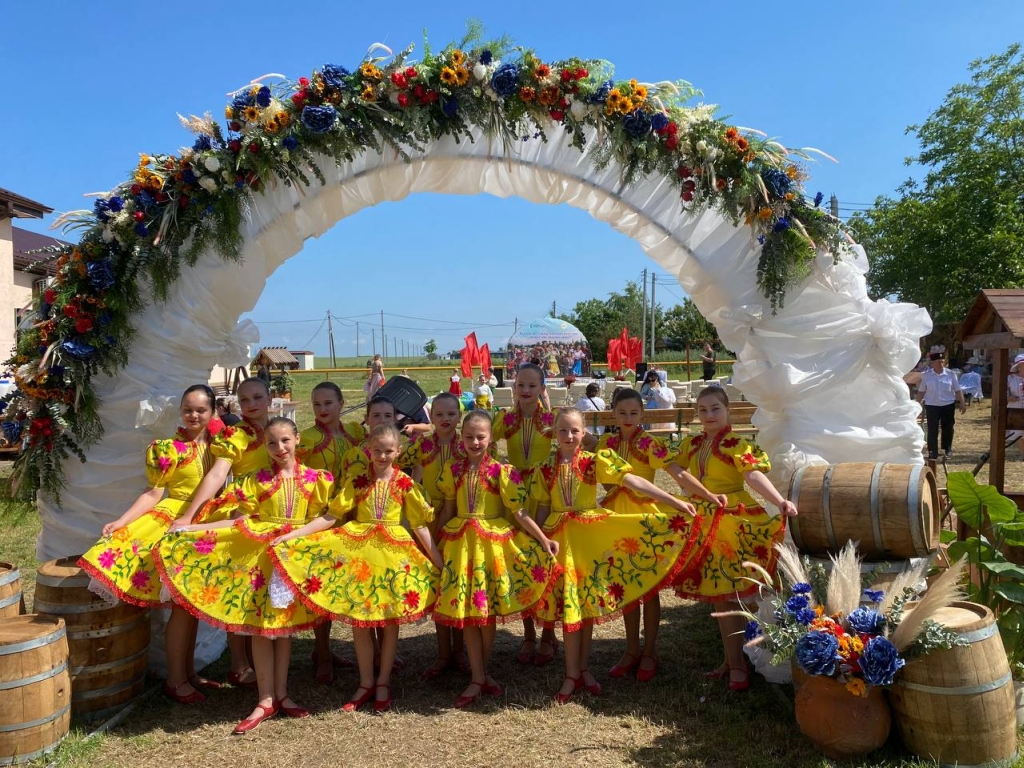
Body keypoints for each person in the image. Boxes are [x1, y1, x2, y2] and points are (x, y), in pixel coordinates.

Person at [156, 417, 333, 734]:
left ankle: (282, 694)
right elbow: (238, 522)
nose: (279, 448)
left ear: (297, 440)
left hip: (293, 559)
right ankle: (266, 698)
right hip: (261, 559)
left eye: (285, 441)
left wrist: (295, 540)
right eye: (272, 443)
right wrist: (193, 528)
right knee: (261, 629)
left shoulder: (316, 480)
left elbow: (324, 519)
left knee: (284, 629)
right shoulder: (257, 481)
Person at [532, 409, 702, 703]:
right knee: (571, 605)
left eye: (574, 431)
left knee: (583, 605)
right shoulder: (545, 468)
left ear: (584, 434)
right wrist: (540, 541)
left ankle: (582, 670)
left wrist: (672, 500)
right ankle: (572, 673)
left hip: (588, 539)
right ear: (554, 433)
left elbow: (633, 481)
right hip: (561, 542)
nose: (569, 436)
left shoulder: (593, 462)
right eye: (562, 431)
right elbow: (543, 508)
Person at [270, 425, 442, 713]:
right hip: (359, 554)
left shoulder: (405, 484)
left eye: (389, 451)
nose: (383, 456)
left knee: (389, 622)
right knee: (359, 622)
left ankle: (383, 681)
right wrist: (292, 536)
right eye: (377, 451)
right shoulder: (358, 480)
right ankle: (365, 683)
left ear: (398, 452)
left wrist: (437, 561)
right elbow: (330, 516)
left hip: (392, 555)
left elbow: (421, 525)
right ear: (368, 451)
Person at [79, 385, 223, 705]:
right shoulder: (167, 449)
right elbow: (153, 493)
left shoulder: (223, 446)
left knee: (193, 606)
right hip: (177, 524)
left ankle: (188, 672)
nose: (194, 415)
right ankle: (175, 679)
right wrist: (122, 522)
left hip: (211, 524)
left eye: (201, 409)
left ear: (213, 412)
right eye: (188, 408)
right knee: (182, 609)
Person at [590, 388, 725, 682]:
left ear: (643, 414)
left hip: (645, 519)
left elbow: (677, 472)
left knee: (647, 587)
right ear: (613, 413)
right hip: (615, 518)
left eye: (634, 413)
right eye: (622, 413)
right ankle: (630, 650)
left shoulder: (650, 443)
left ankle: (650, 650)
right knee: (625, 584)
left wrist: (706, 494)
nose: (628, 418)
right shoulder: (605, 443)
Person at [672, 387, 798, 692]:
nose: (708, 415)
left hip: (732, 519)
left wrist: (779, 500)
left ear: (728, 410)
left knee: (733, 593)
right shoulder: (693, 442)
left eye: (715, 408)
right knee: (720, 594)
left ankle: (744, 661)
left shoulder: (735, 443)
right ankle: (733, 661)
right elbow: (670, 464)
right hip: (704, 519)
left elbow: (752, 475)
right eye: (702, 410)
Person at [432, 410, 559, 707]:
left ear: (491, 437)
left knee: (486, 613)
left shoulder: (502, 471)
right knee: (470, 614)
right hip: (460, 544)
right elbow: (448, 509)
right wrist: (433, 545)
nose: (475, 442)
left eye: (481, 437)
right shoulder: (452, 470)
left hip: (491, 544)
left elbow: (519, 512)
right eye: (469, 437)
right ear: (461, 438)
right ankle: (478, 676)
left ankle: (480, 673)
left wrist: (542, 538)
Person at [167, 376, 275, 688]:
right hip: (244, 510)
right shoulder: (236, 435)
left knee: (264, 586)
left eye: (257, 398)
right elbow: (217, 474)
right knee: (239, 586)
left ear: (269, 399)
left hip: (275, 511)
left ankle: (263, 657)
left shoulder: (277, 431)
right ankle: (239, 662)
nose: (252, 405)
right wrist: (190, 515)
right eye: (245, 400)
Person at [296, 382, 365, 684]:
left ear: (341, 402)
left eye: (328, 403)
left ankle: (361, 649)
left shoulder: (355, 432)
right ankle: (322, 653)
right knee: (321, 584)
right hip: (322, 518)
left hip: (353, 515)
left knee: (349, 583)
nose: (322, 410)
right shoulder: (308, 439)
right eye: (316, 405)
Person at [491, 362, 559, 666]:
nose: (526, 390)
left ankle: (548, 634)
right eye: (520, 385)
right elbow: (486, 442)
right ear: (513, 388)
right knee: (520, 561)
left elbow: (579, 439)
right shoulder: (504, 419)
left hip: (545, 495)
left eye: (532, 385)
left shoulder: (550, 419)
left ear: (542, 389)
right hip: (514, 494)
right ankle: (528, 634)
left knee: (545, 559)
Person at [399, 393, 468, 680]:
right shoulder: (421, 445)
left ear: (459, 417)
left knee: (458, 580)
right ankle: (443, 652)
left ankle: (461, 649)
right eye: (439, 414)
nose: (445, 419)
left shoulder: (466, 446)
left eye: (451, 414)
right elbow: (394, 462)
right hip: (428, 519)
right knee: (439, 582)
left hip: (460, 518)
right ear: (431, 417)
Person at [916, 349, 966, 460]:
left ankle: (947, 449)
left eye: (942, 361)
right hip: (932, 405)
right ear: (932, 363)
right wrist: (916, 406)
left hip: (947, 405)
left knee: (948, 428)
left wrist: (962, 403)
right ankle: (933, 451)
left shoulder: (951, 374)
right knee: (932, 429)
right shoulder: (926, 376)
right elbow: (921, 391)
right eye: (938, 362)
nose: (941, 364)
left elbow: (958, 390)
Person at [1007, 354, 1024, 460]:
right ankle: (1023, 454)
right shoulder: (1010, 379)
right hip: (1015, 409)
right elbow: (1002, 394)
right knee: (1017, 434)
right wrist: (1009, 397)